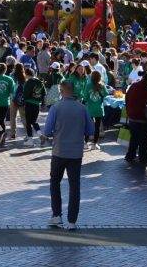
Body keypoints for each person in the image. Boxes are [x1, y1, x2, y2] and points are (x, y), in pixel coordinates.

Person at [41, 80, 93, 230]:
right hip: (76, 153)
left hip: (59, 151)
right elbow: (90, 130)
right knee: (74, 185)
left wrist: (47, 136)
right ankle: (72, 220)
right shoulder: (82, 108)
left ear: (62, 91)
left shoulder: (56, 108)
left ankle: (57, 215)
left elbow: (48, 130)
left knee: (55, 182)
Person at [123, 69, 147, 163]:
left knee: (134, 137)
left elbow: (127, 97)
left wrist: (129, 109)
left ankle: (130, 155)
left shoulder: (134, 85)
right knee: (143, 139)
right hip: (143, 118)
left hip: (132, 116)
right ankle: (143, 156)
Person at [84, 70, 109, 149]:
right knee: (97, 127)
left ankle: (86, 142)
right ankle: (94, 144)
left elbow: (85, 97)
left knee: (88, 126)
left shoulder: (88, 85)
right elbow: (106, 94)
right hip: (99, 109)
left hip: (90, 108)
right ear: (100, 77)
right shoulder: (102, 85)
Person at [20, 65, 45, 142]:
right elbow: (44, 93)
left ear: (26, 74)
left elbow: (26, 94)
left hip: (29, 104)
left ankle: (30, 140)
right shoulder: (40, 82)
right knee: (34, 121)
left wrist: (23, 102)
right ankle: (40, 134)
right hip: (37, 104)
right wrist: (40, 100)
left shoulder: (28, 82)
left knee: (28, 122)